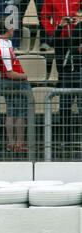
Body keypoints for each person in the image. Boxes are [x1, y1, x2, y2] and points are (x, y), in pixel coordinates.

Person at [0, 17, 32, 153]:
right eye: (12, 27)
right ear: (8, 29)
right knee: (19, 112)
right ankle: (17, 144)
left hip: (7, 82)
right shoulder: (3, 47)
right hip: (14, 82)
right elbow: (10, 73)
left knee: (11, 111)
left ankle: (12, 143)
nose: (14, 29)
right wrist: (24, 76)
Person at [49, 10, 82, 151]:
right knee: (65, 109)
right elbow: (53, 43)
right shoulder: (69, 35)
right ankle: (66, 141)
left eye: (80, 18)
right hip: (67, 75)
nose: (76, 20)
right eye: (75, 18)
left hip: (80, 74)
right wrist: (61, 26)